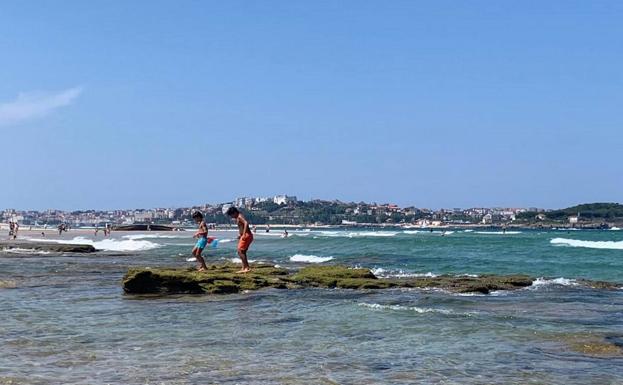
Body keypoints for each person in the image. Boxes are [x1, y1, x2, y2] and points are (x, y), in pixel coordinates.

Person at [226, 207, 253, 273]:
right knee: (243, 252)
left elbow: (246, 223)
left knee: (240, 251)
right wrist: (240, 235)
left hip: (246, 235)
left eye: (231, 215)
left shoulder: (239, 216)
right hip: (247, 235)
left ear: (234, 213)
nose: (231, 217)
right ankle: (244, 267)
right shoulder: (239, 217)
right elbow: (242, 226)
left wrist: (243, 234)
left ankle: (246, 268)